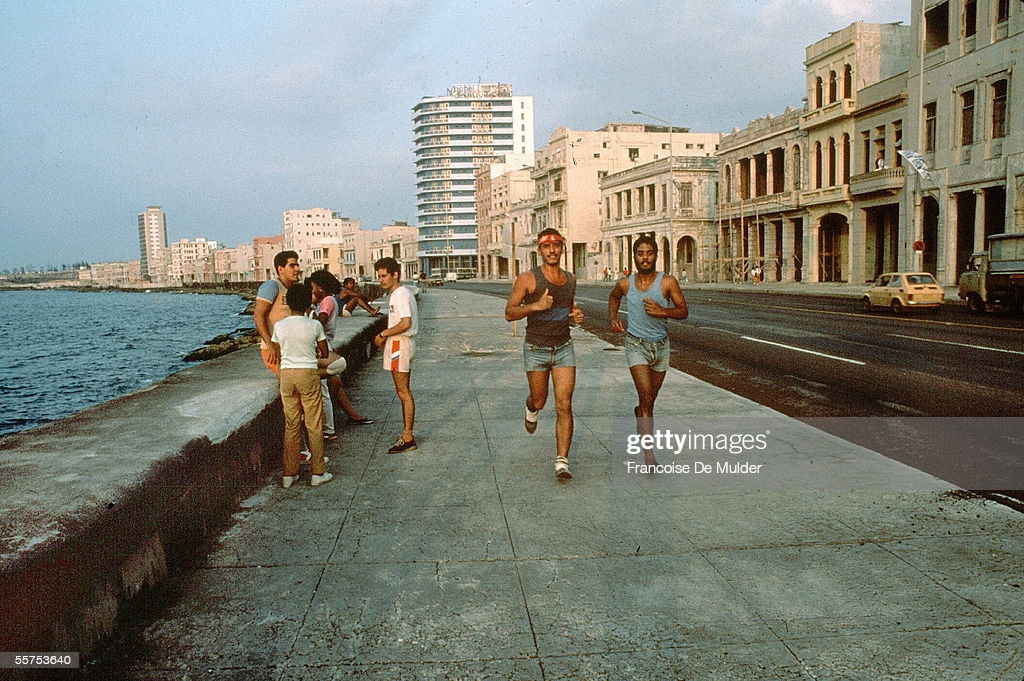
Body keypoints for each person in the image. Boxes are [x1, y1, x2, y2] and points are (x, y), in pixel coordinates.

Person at [504, 228, 584, 480]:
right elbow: (509, 313)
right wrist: (536, 305)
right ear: (539, 250)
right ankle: (531, 407)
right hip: (536, 349)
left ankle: (562, 460)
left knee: (564, 405)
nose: (552, 251)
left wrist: (576, 318)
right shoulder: (528, 279)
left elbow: (567, 312)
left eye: (557, 246)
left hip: (563, 348)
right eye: (547, 247)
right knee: (540, 400)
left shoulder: (571, 279)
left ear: (562, 248)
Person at [608, 236, 688, 466]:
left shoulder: (668, 282)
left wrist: (664, 311)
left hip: (661, 347)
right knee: (645, 398)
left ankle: (641, 412)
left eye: (649, 253)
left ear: (656, 255)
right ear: (634, 256)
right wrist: (613, 318)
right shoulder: (626, 283)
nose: (645, 257)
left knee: (649, 402)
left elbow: (683, 311)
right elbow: (614, 297)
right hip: (636, 346)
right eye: (640, 253)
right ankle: (648, 454)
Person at [271, 283, 333, 488]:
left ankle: (289, 474)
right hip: (307, 373)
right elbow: (324, 353)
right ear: (308, 302)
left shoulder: (279, 326)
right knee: (313, 424)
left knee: (291, 425)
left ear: (288, 302)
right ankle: (318, 472)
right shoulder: (314, 325)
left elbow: (279, 352)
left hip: (287, 375)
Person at [308, 270, 375, 432]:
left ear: (320, 287)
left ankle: (328, 429)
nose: (312, 290)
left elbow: (319, 323)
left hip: (323, 347)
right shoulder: (327, 301)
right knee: (335, 384)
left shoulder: (328, 301)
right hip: (326, 345)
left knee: (324, 390)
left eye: (313, 287)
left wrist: (308, 307)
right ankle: (351, 416)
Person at [373, 257, 418, 453]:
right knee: (402, 391)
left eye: (384, 276)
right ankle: (407, 433)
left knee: (403, 392)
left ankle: (408, 436)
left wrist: (383, 333)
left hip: (400, 343)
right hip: (399, 343)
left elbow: (405, 322)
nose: (381, 280)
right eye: (379, 277)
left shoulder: (400, 294)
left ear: (395, 275)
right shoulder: (400, 293)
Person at [254, 250, 302, 374]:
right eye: (292, 266)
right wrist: (269, 344)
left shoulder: (294, 289)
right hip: (275, 350)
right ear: (281, 269)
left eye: (297, 265)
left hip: (292, 349)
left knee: (332, 379)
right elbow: (258, 316)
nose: (297, 269)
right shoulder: (272, 286)